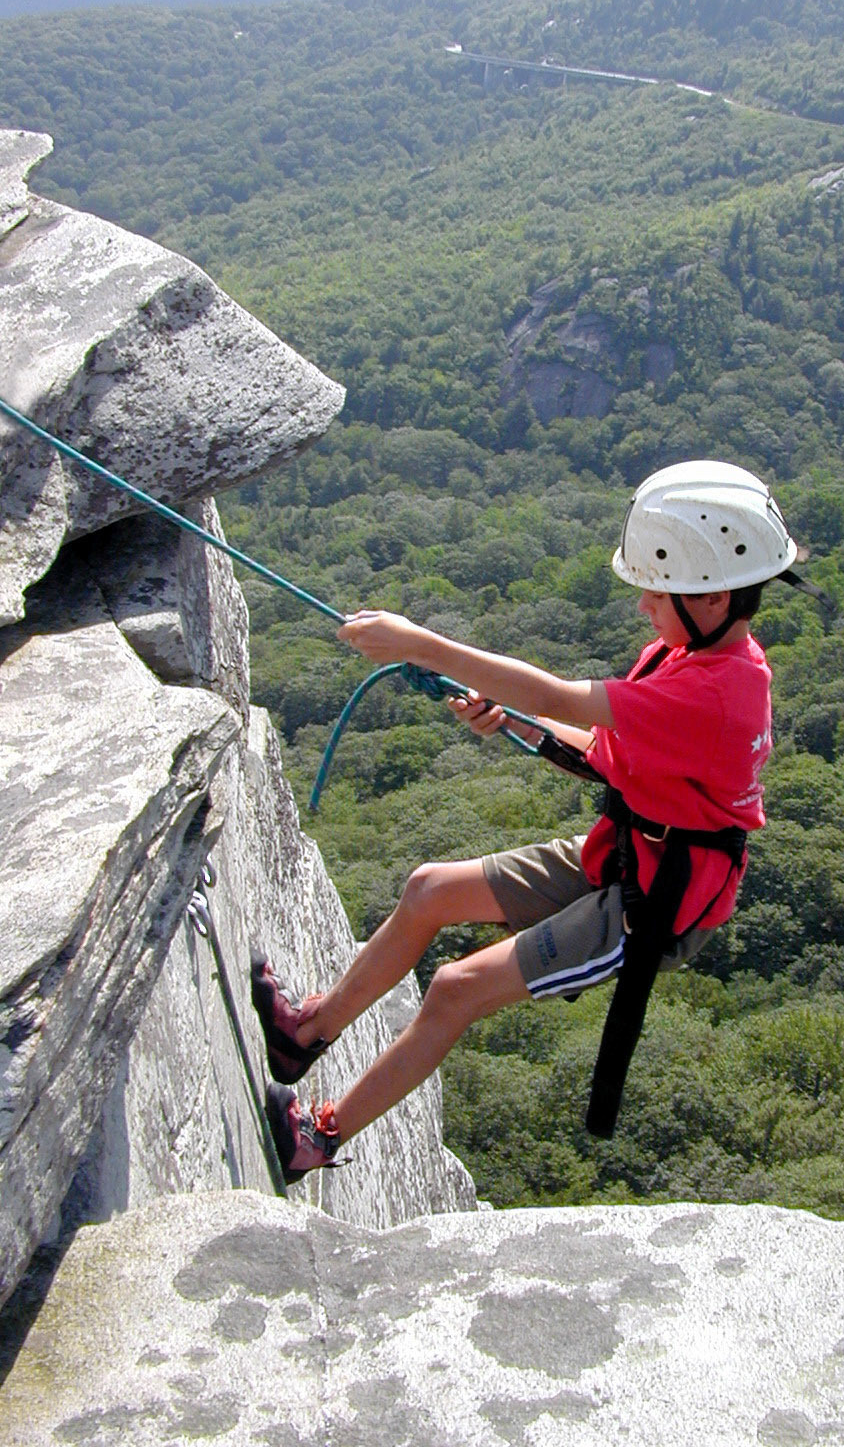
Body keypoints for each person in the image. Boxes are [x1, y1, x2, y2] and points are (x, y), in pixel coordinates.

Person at [253, 460, 806, 1181]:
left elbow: (560, 697)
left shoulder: (718, 693)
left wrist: (420, 643)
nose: (643, 605)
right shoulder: (683, 656)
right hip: (631, 852)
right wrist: (515, 722)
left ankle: (317, 1138)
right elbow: (605, 752)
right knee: (428, 890)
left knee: (455, 988)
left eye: (656, 590)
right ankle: (305, 1033)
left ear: (713, 596)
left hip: (657, 906)